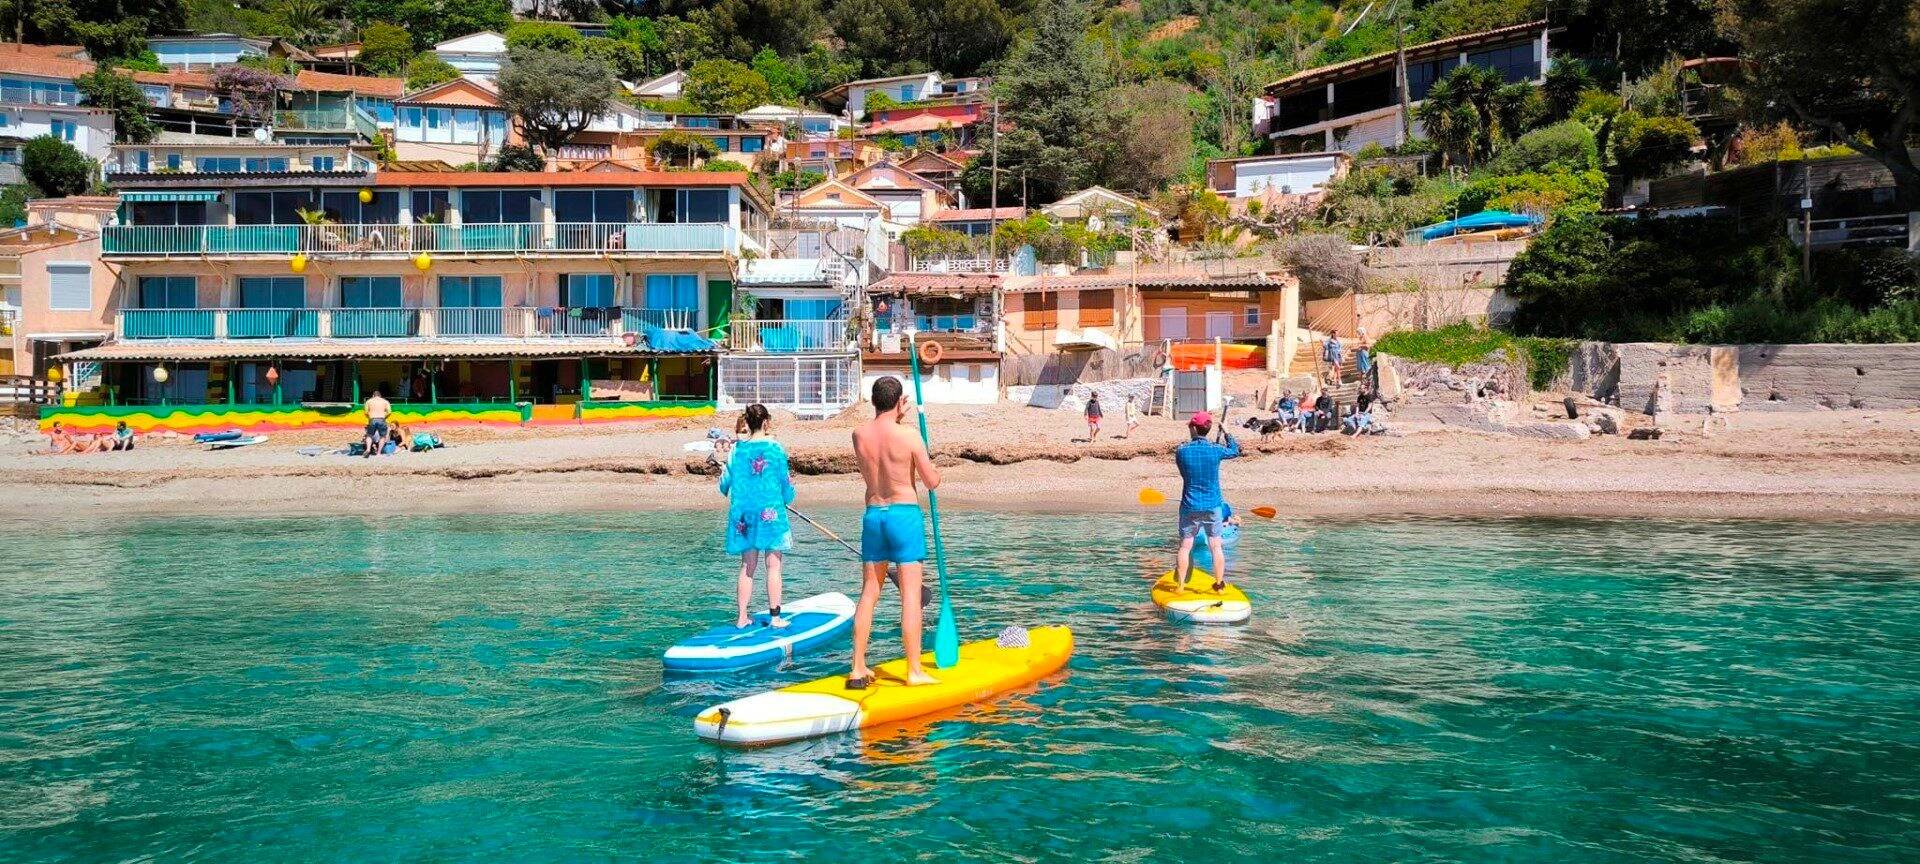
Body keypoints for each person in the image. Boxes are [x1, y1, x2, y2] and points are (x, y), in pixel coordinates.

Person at [848, 376, 941, 690]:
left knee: (869, 593)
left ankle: (858, 667)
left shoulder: (858, 434)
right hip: (903, 515)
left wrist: (896, 413)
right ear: (900, 401)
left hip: (874, 515)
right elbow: (931, 481)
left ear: (874, 401)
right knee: (911, 596)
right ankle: (914, 671)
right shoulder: (910, 436)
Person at [717, 404, 796, 629]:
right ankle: (775, 617)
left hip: (744, 516)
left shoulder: (736, 450)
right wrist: (787, 499)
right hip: (770, 513)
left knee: (747, 566)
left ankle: (742, 617)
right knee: (773, 567)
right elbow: (786, 483)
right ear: (765, 423)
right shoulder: (775, 448)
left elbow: (724, 485)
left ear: (748, 424)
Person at [1174, 411, 1241, 591]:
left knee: (1185, 546)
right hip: (1213, 505)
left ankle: (1180, 586)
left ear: (1194, 428)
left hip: (1189, 505)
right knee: (1215, 545)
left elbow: (1183, 473)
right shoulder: (1215, 450)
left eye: (1190, 426)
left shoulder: (1181, 451)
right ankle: (1219, 584)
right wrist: (1227, 432)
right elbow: (1235, 451)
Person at [362, 390, 391, 459]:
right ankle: (378, 453)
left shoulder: (368, 401)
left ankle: (368, 449)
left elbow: (366, 412)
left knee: (369, 435)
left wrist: (370, 418)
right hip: (381, 419)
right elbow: (389, 412)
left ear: (373, 396)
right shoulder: (385, 401)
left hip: (372, 419)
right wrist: (384, 417)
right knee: (382, 436)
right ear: (380, 396)